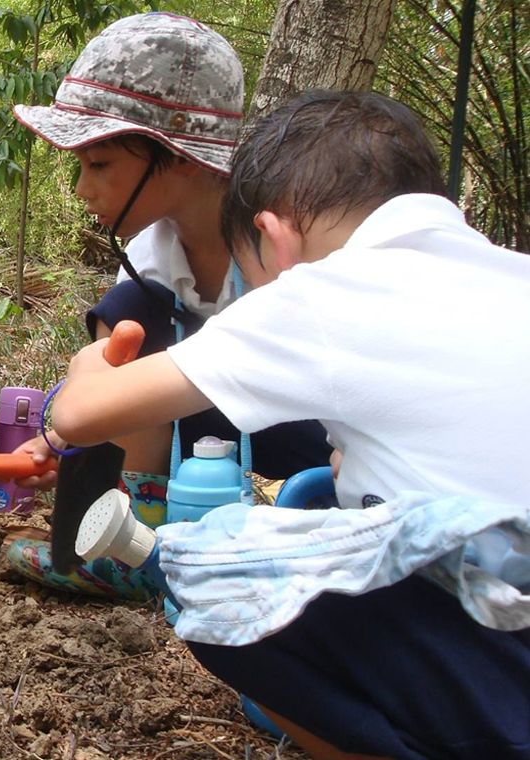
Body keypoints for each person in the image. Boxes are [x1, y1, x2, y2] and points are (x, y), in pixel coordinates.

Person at [54, 90, 530, 759]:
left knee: (212, 574)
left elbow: (79, 415)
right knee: (326, 504)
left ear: (276, 240)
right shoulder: (511, 273)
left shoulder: (324, 294)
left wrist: (88, 365)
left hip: (504, 663)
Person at [5, 12, 330, 596]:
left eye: (99, 164)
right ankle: (134, 535)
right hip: (203, 426)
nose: (82, 188)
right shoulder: (150, 257)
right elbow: (127, 389)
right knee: (131, 315)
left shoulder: (284, 244)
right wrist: (62, 440)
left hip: (308, 433)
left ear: (179, 156)